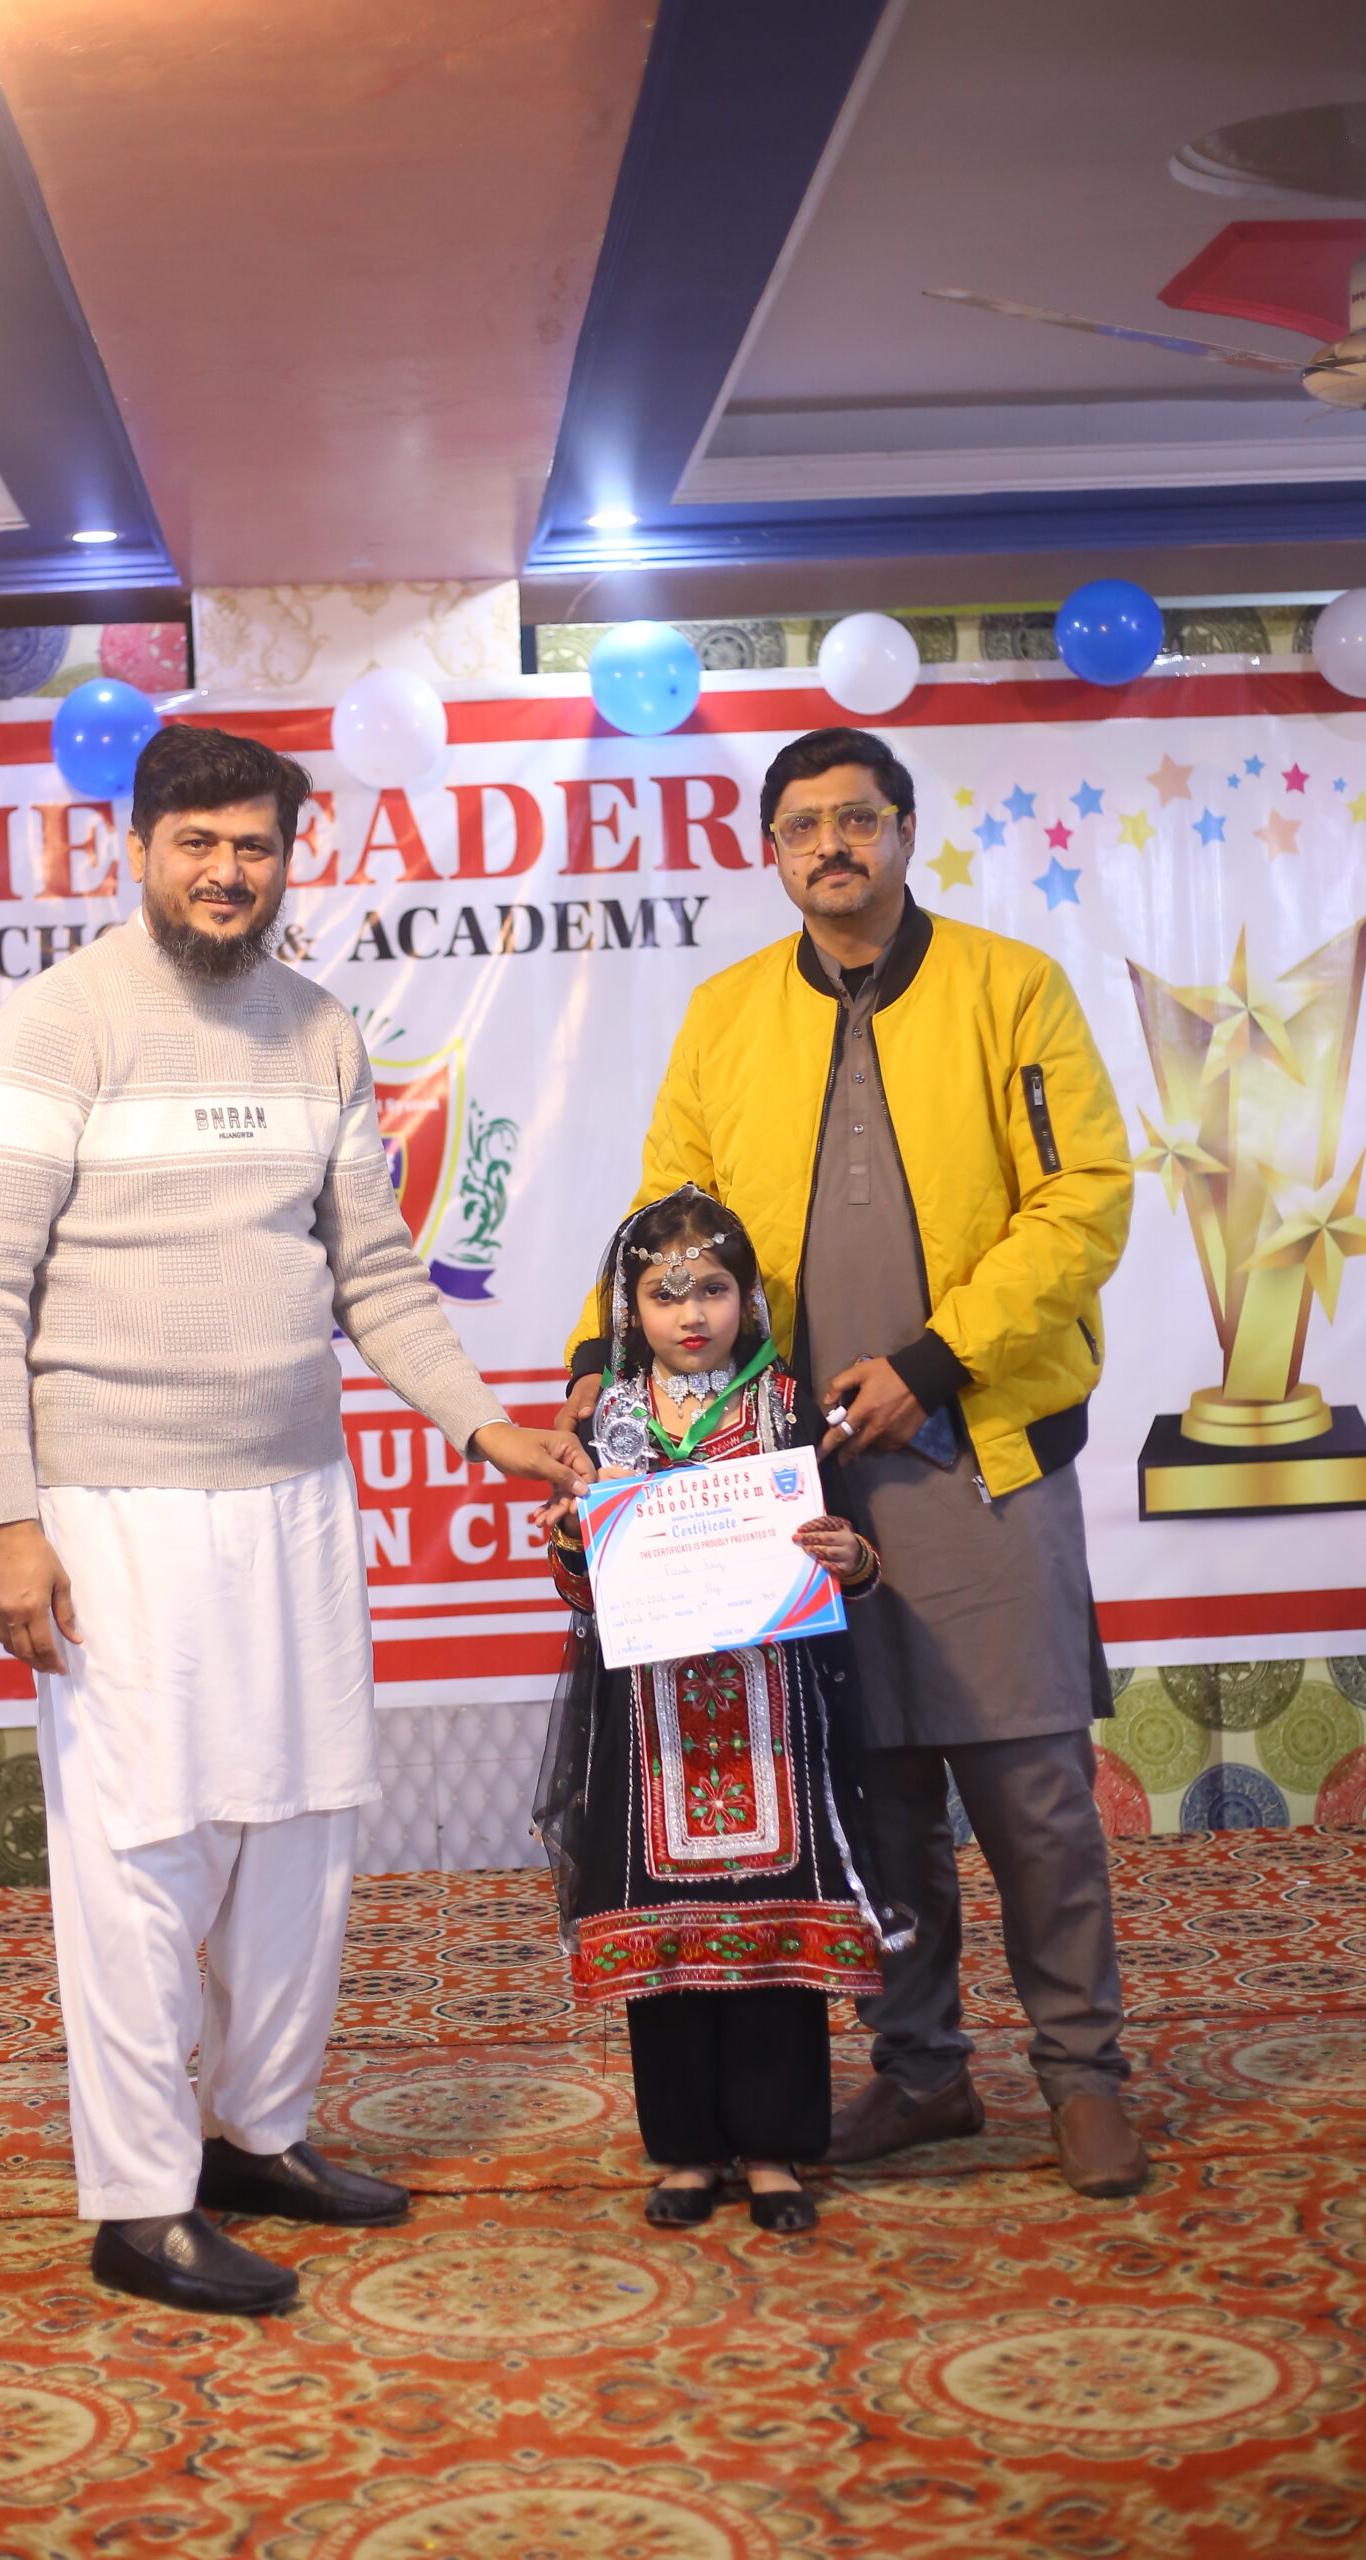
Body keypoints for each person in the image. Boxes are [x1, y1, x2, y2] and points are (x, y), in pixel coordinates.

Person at [0, 724, 590, 2318]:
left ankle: (260, 2134)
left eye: (253, 846)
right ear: (138, 849)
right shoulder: (56, 1021)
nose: (225, 872)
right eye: (197, 844)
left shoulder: (318, 1033)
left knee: (301, 1823)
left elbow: (375, 1276)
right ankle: (139, 2202)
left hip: (295, 1494)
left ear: (289, 860)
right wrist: (10, 1521)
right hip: (113, 1505)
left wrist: (484, 1424)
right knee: (142, 1852)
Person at [561, 724, 1147, 2201]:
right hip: (789, 1483)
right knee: (871, 1798)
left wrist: (934, 1364)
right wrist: (592, 1366)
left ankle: (1082, 2074)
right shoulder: (726, 1015)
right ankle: (921, 2069)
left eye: (857, 817)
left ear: (902, 830)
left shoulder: (1011, 987)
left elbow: (1082, 1201)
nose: (831, 843)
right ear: (770, 852)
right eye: (802, 824)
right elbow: (666, 1217)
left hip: (975, 1451)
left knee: (1031, 1794)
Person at [536, 1185, 899, 2232]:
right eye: (665, 1294)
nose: (691, 1314)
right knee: (665, 1939)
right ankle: (688, 2153)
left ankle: (776, 2152)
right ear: (630, 1308)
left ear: (749, 1299)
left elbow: (853, 1552)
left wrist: (852, 1557)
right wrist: (573, 1542)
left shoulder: (787, 1408)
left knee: (775, 1933)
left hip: (772, 1714)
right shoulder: (605, 1419)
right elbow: (580, 1591)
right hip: (647, 1723)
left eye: (713, 1290)